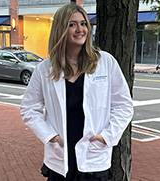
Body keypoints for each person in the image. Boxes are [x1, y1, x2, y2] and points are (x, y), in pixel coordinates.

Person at [20, 3, 134, 181]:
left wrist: (106, 136)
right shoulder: (45, 69)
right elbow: (29, 108)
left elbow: (124, 106)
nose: (79, 29)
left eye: (83, 24)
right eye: (71, 24)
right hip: (61, 153)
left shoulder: (105, 62)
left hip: (93, 153)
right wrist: (51, 136)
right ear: (60, 29)